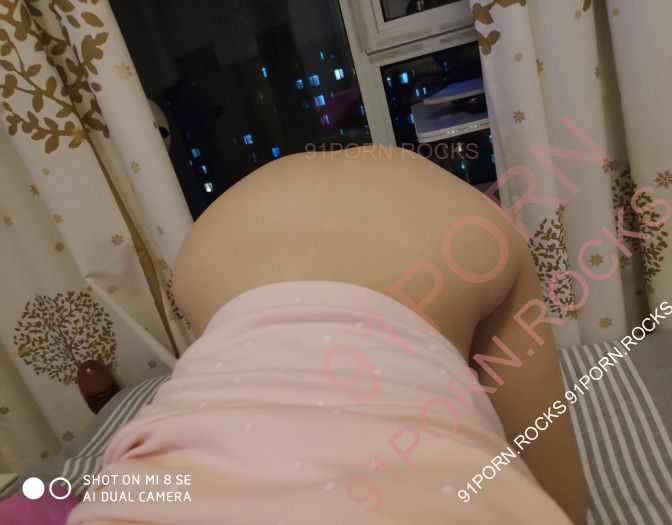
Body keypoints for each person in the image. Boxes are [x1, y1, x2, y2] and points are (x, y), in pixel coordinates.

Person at [68, 145, 588, 524]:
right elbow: (553, 479)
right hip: (424, 214)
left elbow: (236, 385)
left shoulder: (207, 249)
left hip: (228, 229)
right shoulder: (473, 224)